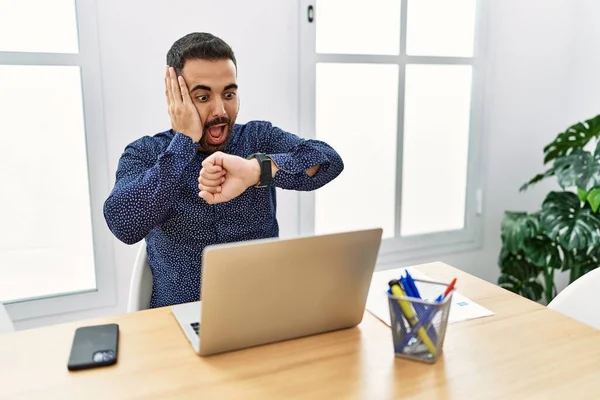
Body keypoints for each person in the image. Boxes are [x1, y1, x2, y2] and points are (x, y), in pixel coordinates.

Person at [103, 32, 344, 308]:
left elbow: (327, 161)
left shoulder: (257, 137)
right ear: (175, 98)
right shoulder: (146, 152)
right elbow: (124, 224)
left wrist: (256, 171)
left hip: (261, 310)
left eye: (229, 94)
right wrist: (184, 142)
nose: (220, 110)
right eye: (203, 97)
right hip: (180, 320)